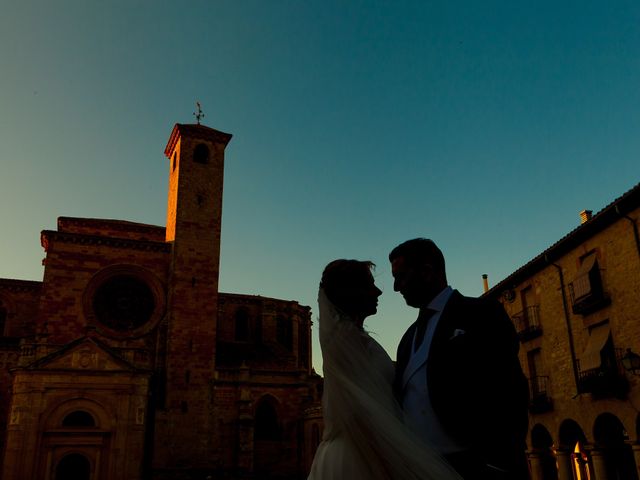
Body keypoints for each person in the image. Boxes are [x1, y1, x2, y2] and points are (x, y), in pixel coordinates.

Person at [308, 259, 461, 480]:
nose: (379, 291)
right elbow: (361, 411)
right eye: (370, 285)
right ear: (352, 292)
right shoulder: (345, 342)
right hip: (363, 456)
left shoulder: (354, 339)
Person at [390, 238, 530, 480]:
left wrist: (498, 463)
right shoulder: (407, 339)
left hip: (476, 467)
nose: (396, 287)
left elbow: (509, 387)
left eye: (401, 276)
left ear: (426, 272)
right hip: (419, 469)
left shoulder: (481, 313)